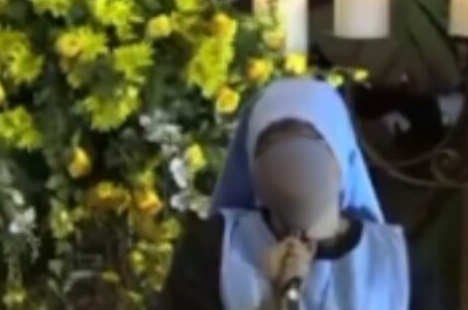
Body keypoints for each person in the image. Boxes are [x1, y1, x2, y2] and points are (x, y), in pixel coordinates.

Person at [160, 78, 410, 309]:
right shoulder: (214, 246)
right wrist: (275, 298)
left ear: (341, 156)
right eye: (269, 145)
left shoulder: (394, 257)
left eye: (307, 140)